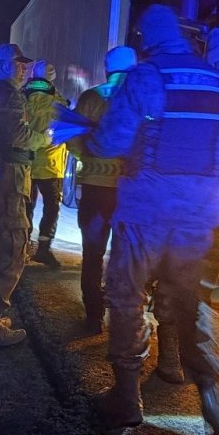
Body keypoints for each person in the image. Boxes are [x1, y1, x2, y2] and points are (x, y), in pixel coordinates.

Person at [85, 4, 219, 435]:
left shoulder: (146, 76)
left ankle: (128, 398)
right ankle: (215, 408)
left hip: (146, 211)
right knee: (188, 305)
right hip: (197, 215)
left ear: (145, 39)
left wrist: (103, 138)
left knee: (126, 296)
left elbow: (109, 143)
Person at [152, 28, 219, 385]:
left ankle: (191, 352)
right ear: (214, 57)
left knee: (203, 281)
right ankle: (168, 357)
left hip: (218, 203)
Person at [0, 43, 51, 349]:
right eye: (17, 64)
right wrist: (44, 137)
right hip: (8, 177)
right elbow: (18, 135)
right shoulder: (11, 95)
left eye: (23, 64)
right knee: (13, 247)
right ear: (3, 66)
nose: (22, 68)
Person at [65, 45, 138, 335]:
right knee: (127, 254)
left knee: (93, 254)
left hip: (96, 188)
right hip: (129, 190)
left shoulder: (91, 97)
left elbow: (71, 137)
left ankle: (94, 316)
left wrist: (89, 159)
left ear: (107, 68)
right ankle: (125, 319)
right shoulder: (138, 97)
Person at [23, 59, 70, 269]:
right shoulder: (59, 103)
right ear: (52, 78)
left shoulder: (21, 96)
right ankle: (43, 249)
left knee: (25, 207)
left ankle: (21, 248)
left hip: (25, 161)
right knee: (51, 208)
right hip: (51, 164)